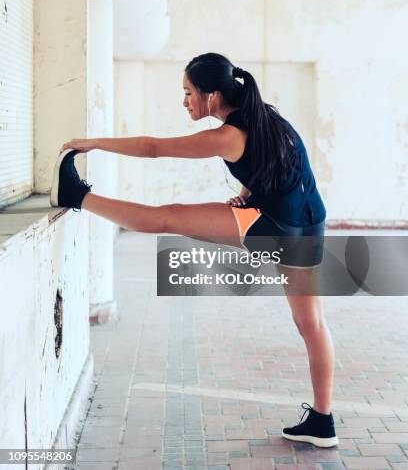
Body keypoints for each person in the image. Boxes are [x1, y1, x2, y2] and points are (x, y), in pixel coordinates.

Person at [51, 52, 338, 448]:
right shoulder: (265, 116)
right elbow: (281, 167)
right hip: (309, 223)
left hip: (277, 226)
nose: (184, 101)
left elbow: (154, 148)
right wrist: (246, 195)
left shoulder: (228, 135)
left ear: (212, 95)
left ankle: (75, 195)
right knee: (313, 325)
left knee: (169, 217)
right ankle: (323, 423)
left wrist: (94, 143)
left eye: (188, 92)